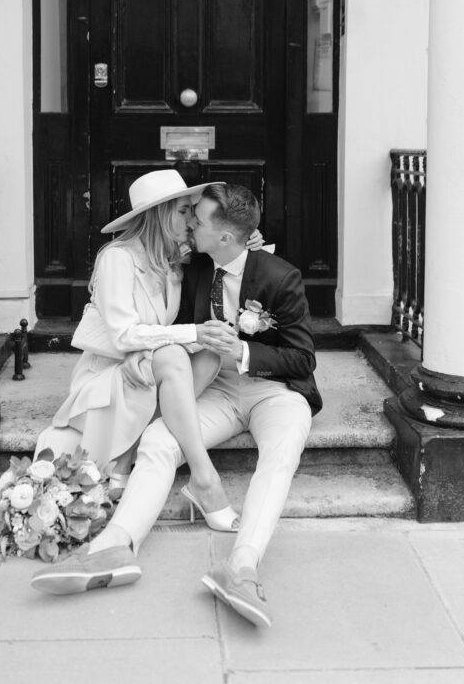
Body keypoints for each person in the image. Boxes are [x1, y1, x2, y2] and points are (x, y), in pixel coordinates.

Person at [32, 183, 322, 630]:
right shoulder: (191, 264)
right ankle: (114, 546)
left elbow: (303, 359)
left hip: (275, 391)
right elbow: (148, 321)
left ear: (225, 236)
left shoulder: (279, 276)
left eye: (197, 219)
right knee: (158, 439)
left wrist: (244, 351)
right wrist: (151, 353)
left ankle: (242, 568)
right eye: (187, 215)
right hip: (214, 387)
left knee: (281, 454)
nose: (190, 225)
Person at [35, 169, 259, 529]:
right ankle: (204, 477)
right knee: (177, 352)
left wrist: (248, 242)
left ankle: (128, 453)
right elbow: (124, 335)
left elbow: (224, 247)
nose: (191, 220)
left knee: (209, 354)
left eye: (192, 212)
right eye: (183, 211)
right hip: (110, 372)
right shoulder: (117, 258)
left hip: (145, 363)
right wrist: (185, 336)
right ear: (159, 214)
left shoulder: (173, 260)